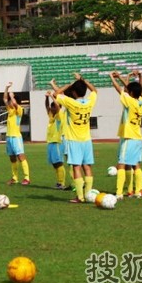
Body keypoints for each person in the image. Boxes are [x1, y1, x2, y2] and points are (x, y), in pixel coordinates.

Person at [51, 73, 97, 203]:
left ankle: (80, 196)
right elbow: (94, 91)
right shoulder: (90, 102)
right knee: (87, 167)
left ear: (74, 92)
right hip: (87, 139)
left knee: (76, 167)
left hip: (74, 140)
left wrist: (69, 84)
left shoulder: (71, 103)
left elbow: (56, 94)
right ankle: (88, 194)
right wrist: (82, 80)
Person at [109, 71, 142, 200]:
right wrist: (135, 77)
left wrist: (112, 78)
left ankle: (119, 193)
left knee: (121, 164)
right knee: (136, 164)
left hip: (129, 138)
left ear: (130, 93)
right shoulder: (141, 101)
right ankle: (138, 191)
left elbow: (119, 89)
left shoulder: (129, 101)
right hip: (138, 138)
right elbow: (138, 89)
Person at [3, 82, 30, 186]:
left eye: (11, 101)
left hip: (16, 137)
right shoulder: (10, 111)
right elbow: (5, 99)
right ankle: (15, 178)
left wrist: (12, 97)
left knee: (20, 156)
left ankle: (27, 177)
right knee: (12, 157)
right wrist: (6, 87)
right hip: (9, 137)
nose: (9, 102)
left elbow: (14, 103)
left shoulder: (19, 110)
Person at [44, 91, 68, 190]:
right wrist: (46, 98)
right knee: (54, 164)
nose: (50, 109)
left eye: (52, 107)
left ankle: (62, 183)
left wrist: (52, 97)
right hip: (50, 142)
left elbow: (58, 107)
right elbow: (46, 106)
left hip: (57, 142)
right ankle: (59, 182)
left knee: (59, 163)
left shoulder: (60, 115)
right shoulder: (51, 115)